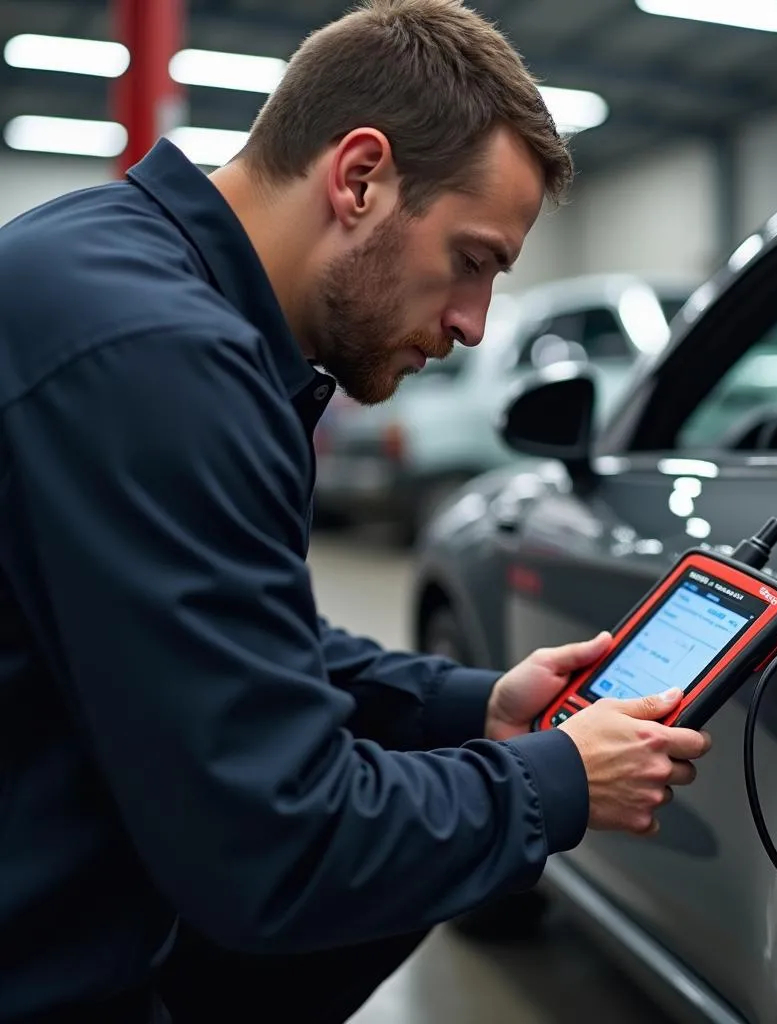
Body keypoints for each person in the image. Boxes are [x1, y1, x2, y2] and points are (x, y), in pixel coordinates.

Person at [0, 1, 712, 1021]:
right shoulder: (160, 361)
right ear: (361, 177)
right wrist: (553, 780)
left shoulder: (120, 271)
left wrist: (474, 707)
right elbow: (273, 850)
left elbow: (223, 634)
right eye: (472, 261)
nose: (472, 324)